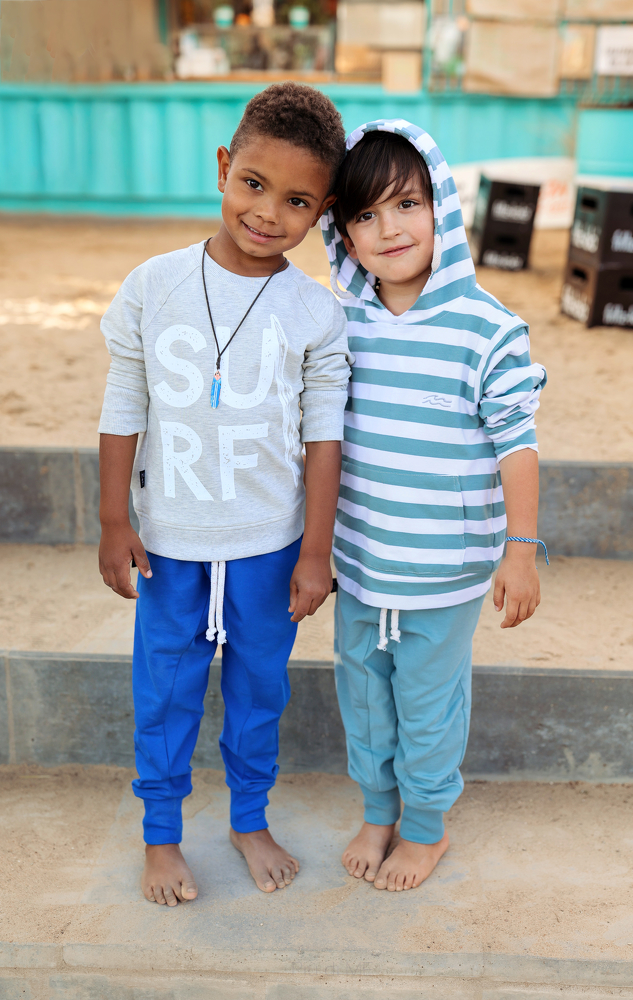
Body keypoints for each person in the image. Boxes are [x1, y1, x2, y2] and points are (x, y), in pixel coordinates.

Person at [97, 83, 351, 906]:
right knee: (164, 693)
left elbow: (323, 438)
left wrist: (315, 552)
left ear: (322, 210)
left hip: (269, 546)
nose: (268, 212)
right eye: (253, 183)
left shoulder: (315, 312)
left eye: (298, 201)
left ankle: (249, 819)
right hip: (171, 543)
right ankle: (160, 836)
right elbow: (124, 400)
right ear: (222, 168)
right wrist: (113, 518)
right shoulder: (153, 284)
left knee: (258, 695)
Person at [321, 121, 547, 892]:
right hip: (360, 566)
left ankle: (424, 827)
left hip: (445, 574)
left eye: (407, 204)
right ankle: (377, 811)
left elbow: (517, 443)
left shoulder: (487, 329)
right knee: (363, 700)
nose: (389, 229)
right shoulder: (342, 325)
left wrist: (521, 549)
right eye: (365, 214)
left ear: (441, 207)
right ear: (343, 233)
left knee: (426, 707)